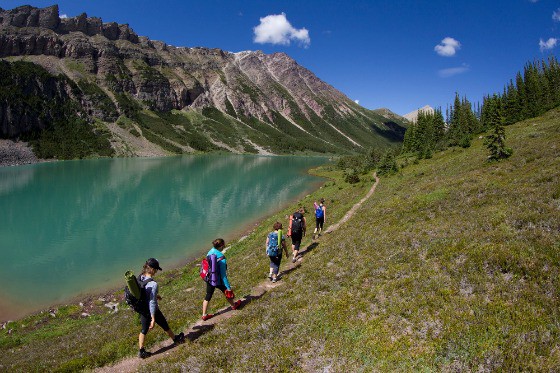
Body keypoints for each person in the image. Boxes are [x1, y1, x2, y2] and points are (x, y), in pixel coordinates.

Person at [137, 258, 185, 359]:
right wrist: (153, 318)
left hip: (142, 309)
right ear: (153, 269)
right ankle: (176, 339)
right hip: (151, 310)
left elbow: (146, 293)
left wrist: (156, 295)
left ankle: (141, 351)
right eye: (156, 270)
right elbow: (152, 302)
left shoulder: (141, 277)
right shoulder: (153, 284)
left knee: (144, 330)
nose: (156, 272)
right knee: (164, 323)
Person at [202, 238, 242, 321]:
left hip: (209, 278)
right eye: (224, 244)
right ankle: (234, 305)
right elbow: (223, 275)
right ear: (221, 246)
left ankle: (204, 315)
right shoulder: (221, 258)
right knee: (226, 291)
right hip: (218, 280)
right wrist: (228, 287)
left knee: (208, 295)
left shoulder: (210, 251)